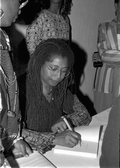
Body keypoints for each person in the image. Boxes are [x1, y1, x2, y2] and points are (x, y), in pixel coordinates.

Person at [21, 38, 91, 154]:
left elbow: (84, 114)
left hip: (54, 152)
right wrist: (54, 139)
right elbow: (15, 133)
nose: (59, 76)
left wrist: (66, 120)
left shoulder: (59, 87)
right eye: (53, 69)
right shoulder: (21, 90)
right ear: (39, 62)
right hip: (29, 155)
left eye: (64, 71)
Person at [0, 0, 32, 166]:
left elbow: (9, 90)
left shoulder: (3, 37)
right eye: (19, 1)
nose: (20, 8)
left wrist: (12, 137)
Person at [93, 0, 120, 113]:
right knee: (103, 119)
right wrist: (103, 55)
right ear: (116, 5)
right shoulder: (104, 27)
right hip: (106, 80)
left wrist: (111, 55)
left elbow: (104, 55)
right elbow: (103, 54)